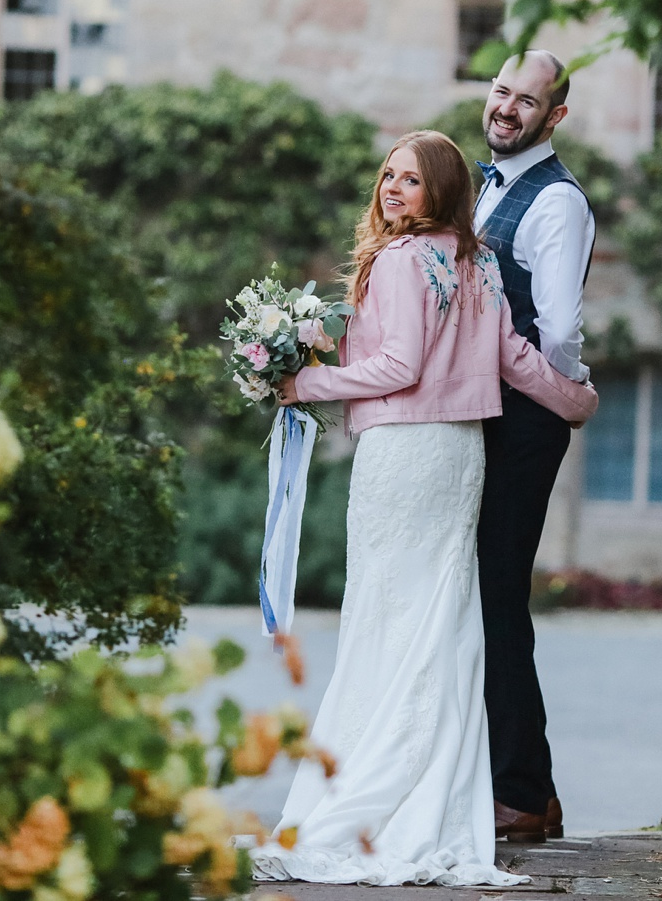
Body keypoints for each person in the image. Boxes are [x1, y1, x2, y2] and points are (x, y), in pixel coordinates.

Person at [251, 130, 597, 888]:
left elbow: (399, 365)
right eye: (387, 176)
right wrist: (575, 399)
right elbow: (513, 358)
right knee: (438, 618)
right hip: (459, 454)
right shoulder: (478, 262)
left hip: (406, 454)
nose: (392, 190)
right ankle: (433, 786)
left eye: (410, 179)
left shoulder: (402, 260)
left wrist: (302, 385)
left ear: (441, 189)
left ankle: (375, 785)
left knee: (385, 616)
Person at [473, 50, 596, 844]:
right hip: (488, 413)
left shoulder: (556, 203)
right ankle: (529, 789)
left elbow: (557, 330)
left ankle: (519, 793)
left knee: (496, 591)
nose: (508, 108)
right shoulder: (489, 188)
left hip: (525, 417)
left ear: (554, 117)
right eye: (501, 91)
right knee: (483, 592)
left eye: (528, 100)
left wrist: (564, 392)